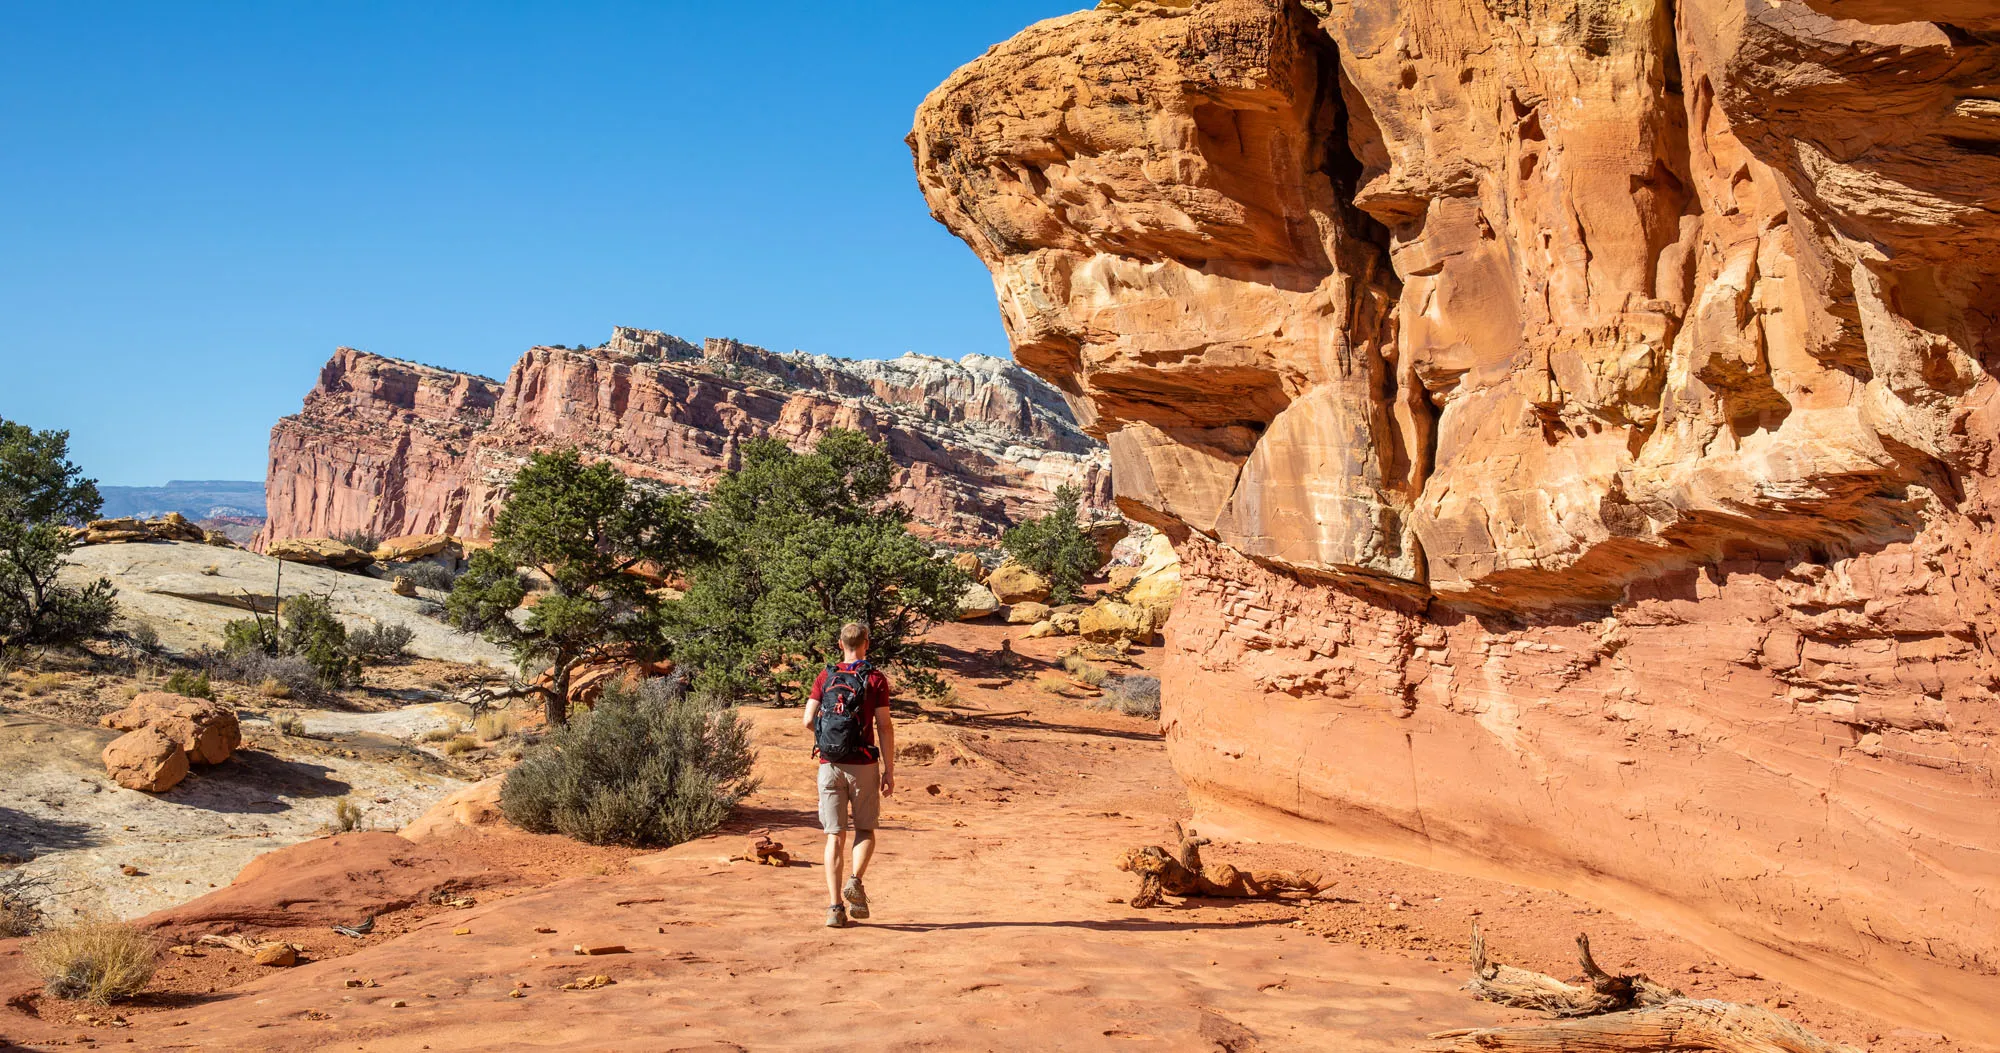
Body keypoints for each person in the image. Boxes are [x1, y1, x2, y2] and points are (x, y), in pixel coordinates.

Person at [803, 621, 895, 928]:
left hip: (829, 765)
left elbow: (807, 720)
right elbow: (884, 726)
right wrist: (889, 770)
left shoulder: (826, 675)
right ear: (866, 643)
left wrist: (828, 740)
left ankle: (834, 908)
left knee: (835, 835)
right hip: (863, 764)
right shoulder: (875, 679)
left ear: (840, 644)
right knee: (865, 829)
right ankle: (855, 880)